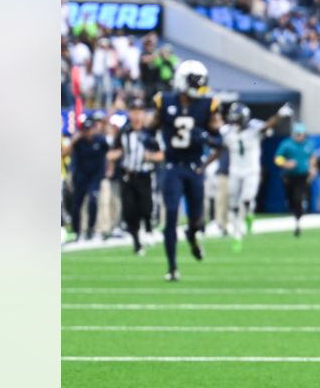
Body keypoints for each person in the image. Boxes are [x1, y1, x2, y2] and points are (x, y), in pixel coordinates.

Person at [149, 60, 222, 281]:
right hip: (172, 167)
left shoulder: (209, 104)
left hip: (194, 168)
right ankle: (172, 268)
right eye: (195, 83)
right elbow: (148, 130)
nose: (199, 88)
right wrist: (153, 147)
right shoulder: (164, 101)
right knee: (171, 215)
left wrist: (206, 137)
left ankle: (192, 236)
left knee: (196, 219)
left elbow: (220, 140)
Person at [221, 101, 291, 251]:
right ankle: (237, 234)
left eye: (237, 119)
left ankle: (249, 215)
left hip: (251, 171)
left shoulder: (254, 128)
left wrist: (279, 115)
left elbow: (267, 126)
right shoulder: (228, 131)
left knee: (246, 200)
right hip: (234, 170)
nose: (234, 123)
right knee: (232, 203)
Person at [110, 98, 161, 254]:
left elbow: (162, 154)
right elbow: (113, 152)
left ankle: (148, 229)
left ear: (144, 114)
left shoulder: (150, 133)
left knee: (145, 207)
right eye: (134, 112)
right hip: (127, 175)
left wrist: (151, 157)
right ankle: (137, 243)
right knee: (129, 210)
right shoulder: (124, 132)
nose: (136, 115)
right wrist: (113, 159)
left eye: (139, 112)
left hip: (144, 175)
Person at [64, 114, 110, 242]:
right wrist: (74, 140)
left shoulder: (101, 140)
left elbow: (110, 153)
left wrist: (108, 169)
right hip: (80, 177)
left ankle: (90, 228)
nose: (88, 132)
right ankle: (77, 231)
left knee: (93, 200)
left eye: (90, 129)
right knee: (76, 205)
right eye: (86, 129)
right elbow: (64, 153)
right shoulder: (78, 142)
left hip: (95, 177)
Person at [274, 122, 316, 237]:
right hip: (289, 176)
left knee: (298, 198)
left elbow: (312, 157)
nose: (299, 136)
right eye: (297, 134)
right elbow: (277, 158)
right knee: (291, 200)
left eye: (301, 134)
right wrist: (286, 163)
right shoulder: (287, 144)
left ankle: (298, 221)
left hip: (302, 176)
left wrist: (312, 168)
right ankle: (295, 211)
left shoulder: (308, 144)